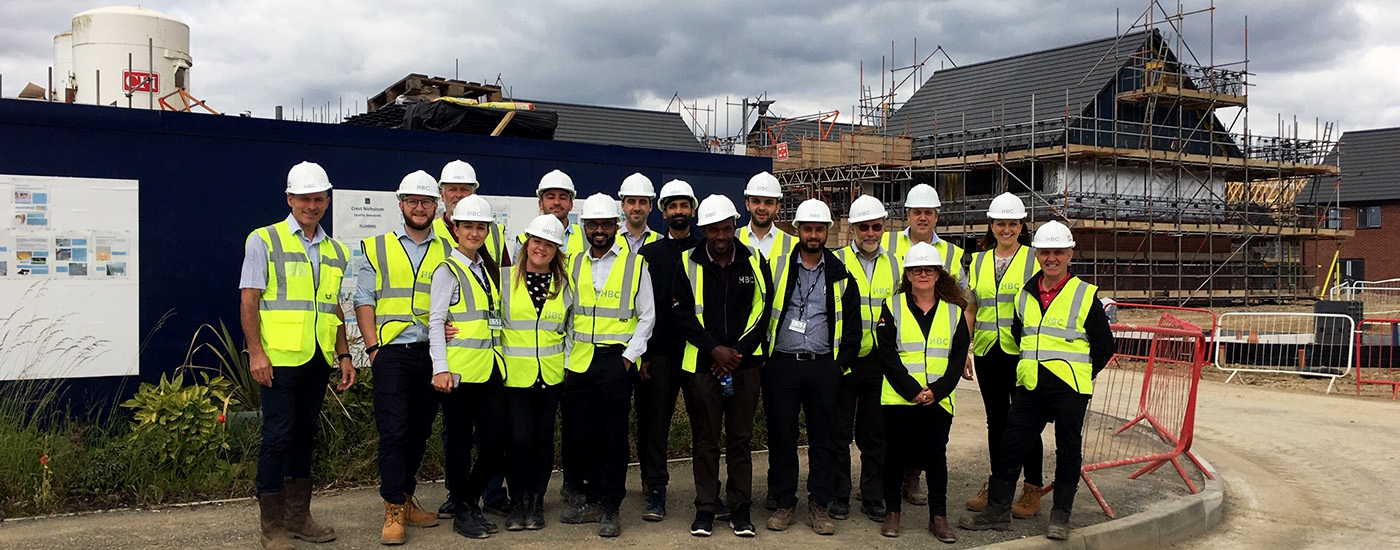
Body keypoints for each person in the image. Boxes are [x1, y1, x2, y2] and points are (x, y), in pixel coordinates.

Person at [959, 221, 1116, 540]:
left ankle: (1060, 516)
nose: (1052, 258)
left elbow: (1104, 345)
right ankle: (998, 510)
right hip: (1030, 385)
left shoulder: (1084, 295)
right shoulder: (1026, 294)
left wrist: (1082, 373)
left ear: (1070, 254)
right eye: (1046, 252)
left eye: (1059, 252)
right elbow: (1021, 333)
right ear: (1039, 254)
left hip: (1069, 387)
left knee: (1068, 450)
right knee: (1011, 445)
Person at [240, 161, 356, 550]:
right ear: (290, 199)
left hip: (317, 358)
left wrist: (344, 355)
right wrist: (256, 353)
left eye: (318, 198)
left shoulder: (335, 250)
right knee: (277, 437)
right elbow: (250, 298)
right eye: (304, 198)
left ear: (327, 200)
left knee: (305, 436)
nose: (312, 205)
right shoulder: (264, 240)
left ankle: (298, 518)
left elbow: (333, 307)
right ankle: (271, 527)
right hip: (279, 358)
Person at [354, 170, 450, 545]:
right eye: (413, 201)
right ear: (401, 205)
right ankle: (393, 509)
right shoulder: (375, 246)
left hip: (431, 352)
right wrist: (373, 347)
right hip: (391, 353)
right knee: (393, 431)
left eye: (426, 202)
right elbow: (364, 298)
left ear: (435, 206)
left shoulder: (447, 248)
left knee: (420, 430)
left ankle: (407, 498)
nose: (420, 207)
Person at [672, 194, 772, 538]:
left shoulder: (755, 260)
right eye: (713, 229)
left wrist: (736, 353)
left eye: (726, 229)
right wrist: (715, 350)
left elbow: (764, 310)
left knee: (741, 440)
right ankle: (706, 509)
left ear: (734, 227)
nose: (720, 236)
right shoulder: (687, 263)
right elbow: (681, 314)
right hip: (702, 366)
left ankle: (740, 509)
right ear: (704, 230)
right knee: (706, 440)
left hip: (744, 366)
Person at [761, 199, 862, 536]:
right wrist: (766, 358)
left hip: (823, 367)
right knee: (782, 436)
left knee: (825, 438)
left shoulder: (841, 274)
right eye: (808, 229)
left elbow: (852, 327)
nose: (814, 235)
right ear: (797, 230)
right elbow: (760, 314)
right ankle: (784, 501)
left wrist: (839, 365)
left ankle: (819, 503)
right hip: (783, 365)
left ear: (827, 232)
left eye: (819, 229)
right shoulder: (776, 267)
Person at [558, 194, 655, 538]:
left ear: (617, 226)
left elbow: (647, 316)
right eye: (593, 225)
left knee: (614, 436)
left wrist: (629, 356)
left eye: (605, 225)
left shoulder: (635, 264)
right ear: (584, 227)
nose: (599, 231)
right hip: (581, 362)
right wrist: (569, 358)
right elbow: (568, 316)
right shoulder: (572, 263)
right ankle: (593, 498)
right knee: (584, 436)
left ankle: (611, 505)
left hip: (616, 361)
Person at [873, 242, 968, 543]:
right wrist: (913, 391)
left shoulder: (955, 313)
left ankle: (938, 517)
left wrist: (936, 391)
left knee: (936, 457)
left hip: (938, 400)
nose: (923, 274)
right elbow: (886, 354)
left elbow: (957, 358)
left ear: (939, 274)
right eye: (917, 269)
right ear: (909, 274)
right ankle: (893, 513)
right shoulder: (893, 306)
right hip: (900, 398)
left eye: (929, 269)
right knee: (896, 455)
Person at [426, 195, 507, 539]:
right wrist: (439, 367)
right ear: (455, 229)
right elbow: (436, 322)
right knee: (459, 444)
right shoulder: (447, 269)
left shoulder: (485, 269)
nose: (474, 232)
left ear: (487, 230)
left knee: (494, 443)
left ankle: (467, 499)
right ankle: (463, 510)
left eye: (480, 227)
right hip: (458, 374)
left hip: (489, 370)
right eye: (468, 226)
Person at [883, 182, 966, 504]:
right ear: (908, 214)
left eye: (928, 213)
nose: (922, 217)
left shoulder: (952, 254)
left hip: (938, 345)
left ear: (936, 216)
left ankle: (912, 479)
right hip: (893, 337)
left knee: (929, 435)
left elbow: (964, 302)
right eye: (917, 212)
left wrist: (963, 347)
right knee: (887, 431)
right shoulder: (890, 244)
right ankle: (885, 482)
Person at [963, 193, 1044, 519]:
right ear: (991, 225)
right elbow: (971, 307)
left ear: (1021, 225)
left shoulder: (1033, 260)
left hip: (1022, 354)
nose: (1006, 229)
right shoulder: (979, 261)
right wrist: (964, 349)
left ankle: (1033, 488)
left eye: (1012, 223)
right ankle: (999, 487)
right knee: (996, 421)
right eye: (1000, 223)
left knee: (1025, 423)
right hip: (987, 351)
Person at [498, 214, 575, 532]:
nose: (541, 248)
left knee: (543, 440)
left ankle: (535, 501)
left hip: (552, 375)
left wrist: (568, 362)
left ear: (557, 249)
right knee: (518, 439)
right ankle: (516, 502)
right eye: (537, 241)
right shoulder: (503, 280)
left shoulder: (565, 284)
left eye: (549, 244)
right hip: (514, 376)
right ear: (527, 242)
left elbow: (571, 328)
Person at [633, 180, 700, 523]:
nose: (678, 211)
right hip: (658, 354)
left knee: (704, 425)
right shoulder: (650, 255)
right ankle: (655, 488)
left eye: (683, 205)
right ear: (663, 211)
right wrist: (643, 354)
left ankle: (708, 492)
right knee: (654, 425)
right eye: (671, 206)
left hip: (699, 355)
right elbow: (640, 309)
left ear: (692, 209)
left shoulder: (706, 249)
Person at [830, 195, 898, 523]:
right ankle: (840, 494)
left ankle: (873, 496)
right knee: (839, 431)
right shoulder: (837, 261)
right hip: (845, 359)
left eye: (876, 226)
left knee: (875, 434)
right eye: (863, 227)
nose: (870, 232)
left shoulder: (897, 263)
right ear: (852, 229)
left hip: (880, 361)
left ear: (883, 227)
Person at [432, 159, 510, 266]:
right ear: (442, 194)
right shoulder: (430, 232)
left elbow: (506, 278)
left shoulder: (495, 233)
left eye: (464, 189)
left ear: (474, 193)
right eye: (452, 189)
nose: (458, 195)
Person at [511, 170, 585, 260]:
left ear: (571, 205)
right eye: (551, 197)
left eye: (562, 198)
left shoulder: (585, 238)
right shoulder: (524, 241)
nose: (557, 202)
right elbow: (518, 273)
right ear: (540, 204)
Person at [736, 172, 797, 261]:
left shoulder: (793, 245)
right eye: (756, 201)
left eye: (768, 202)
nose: (761, 208)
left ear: (777, 207)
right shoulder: (733, 239)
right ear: (747, 204)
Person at [618, 172, 661, 254]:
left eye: (642, 202)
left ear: (650, 206)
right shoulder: (610, 241)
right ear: (623, 205)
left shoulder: (661, 241)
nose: (637, 208)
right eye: (631, 202)